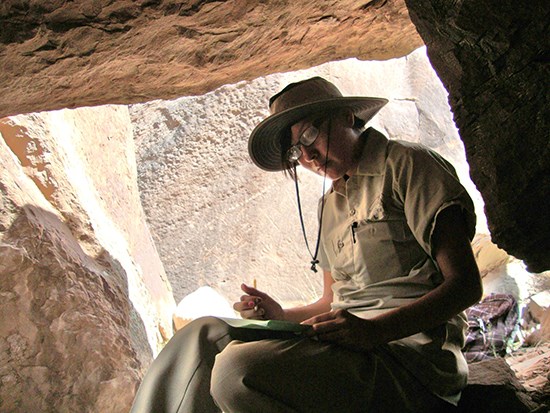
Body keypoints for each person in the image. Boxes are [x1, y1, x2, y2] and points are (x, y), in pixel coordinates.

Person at [130, 77, 482, 413]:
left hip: (409, 359)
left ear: (347, 117)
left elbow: (465, 286)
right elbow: (331, 302)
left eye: (312, 133)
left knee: (236, 371)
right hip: (350, 350)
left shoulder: (407, 165)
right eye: (298, 150)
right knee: (203, 333)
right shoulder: (329, 205)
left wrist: (376, 330)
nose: (309, 156)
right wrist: (280, 315)